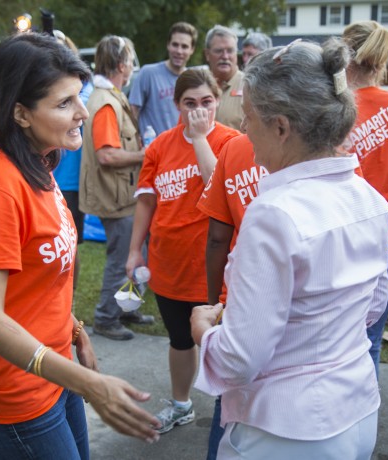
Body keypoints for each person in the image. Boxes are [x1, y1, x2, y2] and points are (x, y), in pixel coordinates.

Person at [0, 33, 160, 459]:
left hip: (54, 368)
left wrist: (73, 330)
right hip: (14, 394)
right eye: (64, 103)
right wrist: (89, 383)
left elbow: (39, 277)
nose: (83, 111)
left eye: (77, 97)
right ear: (21, 114)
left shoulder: (39, 160)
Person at [191, 40, 388, 459]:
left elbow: (237, 360)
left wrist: (204, 330)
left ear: (281, 128)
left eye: (249, 119)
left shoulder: (273, 215)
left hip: (286, 430)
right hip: (355, 410)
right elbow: (371, 307)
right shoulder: (371, 200)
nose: (245, 130)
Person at [125, 68, 239, 434]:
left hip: (212, 266)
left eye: (206, 102)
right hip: (168, 262)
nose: (198, 110)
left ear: (218, 102)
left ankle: (235, 413)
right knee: (179, 339)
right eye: (189, 103)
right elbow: (146, 202)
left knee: (227, 343)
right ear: (176, 105)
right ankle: (181, 403)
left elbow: (215, 186)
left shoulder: (231, 142)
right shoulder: (160, 145)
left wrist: (201, 138)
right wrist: (133, 252)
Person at [343, 21, 388, 376]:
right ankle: (362, 425)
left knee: (337, 343)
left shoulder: (335, 109)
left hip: (350, 237)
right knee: (370, 341)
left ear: (344, 54)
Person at [196, 134, 268, 459]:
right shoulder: (329, 145)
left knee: (230, 395)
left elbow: (217, 237)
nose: (241, 123)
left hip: (239, 295)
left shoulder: (235, 147)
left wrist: (214, 303)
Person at [79, 35, 154, 341]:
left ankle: (127, 309)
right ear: (122, 65)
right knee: (123, 257)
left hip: (123, 194)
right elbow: (106, 154)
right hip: (116, 197)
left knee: (137, 254)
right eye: (131, 61)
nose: (133, 67)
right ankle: (106, 318)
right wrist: (144, 155)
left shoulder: (109, 97)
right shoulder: (106, 103)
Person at [51, 31, 94, 293]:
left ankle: (68, 300)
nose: (81, 112)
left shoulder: (82, 90)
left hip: (68, 181)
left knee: (69, 242)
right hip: (47, 176)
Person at [129, 22, 197, 137]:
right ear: (168, 45)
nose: (179, 51)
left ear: (192, 49)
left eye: (184, 46)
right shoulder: (148, 73)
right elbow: (132, 112)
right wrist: (136, 138)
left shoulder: (193, 80)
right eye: (175, 45)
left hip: (182, 149)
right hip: (154, 149)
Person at [204, 25, 244, 130]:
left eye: (230, 51)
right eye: (219, 51)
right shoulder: (198, 86)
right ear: (207, 54)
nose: (225, 56)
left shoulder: (250, 86)